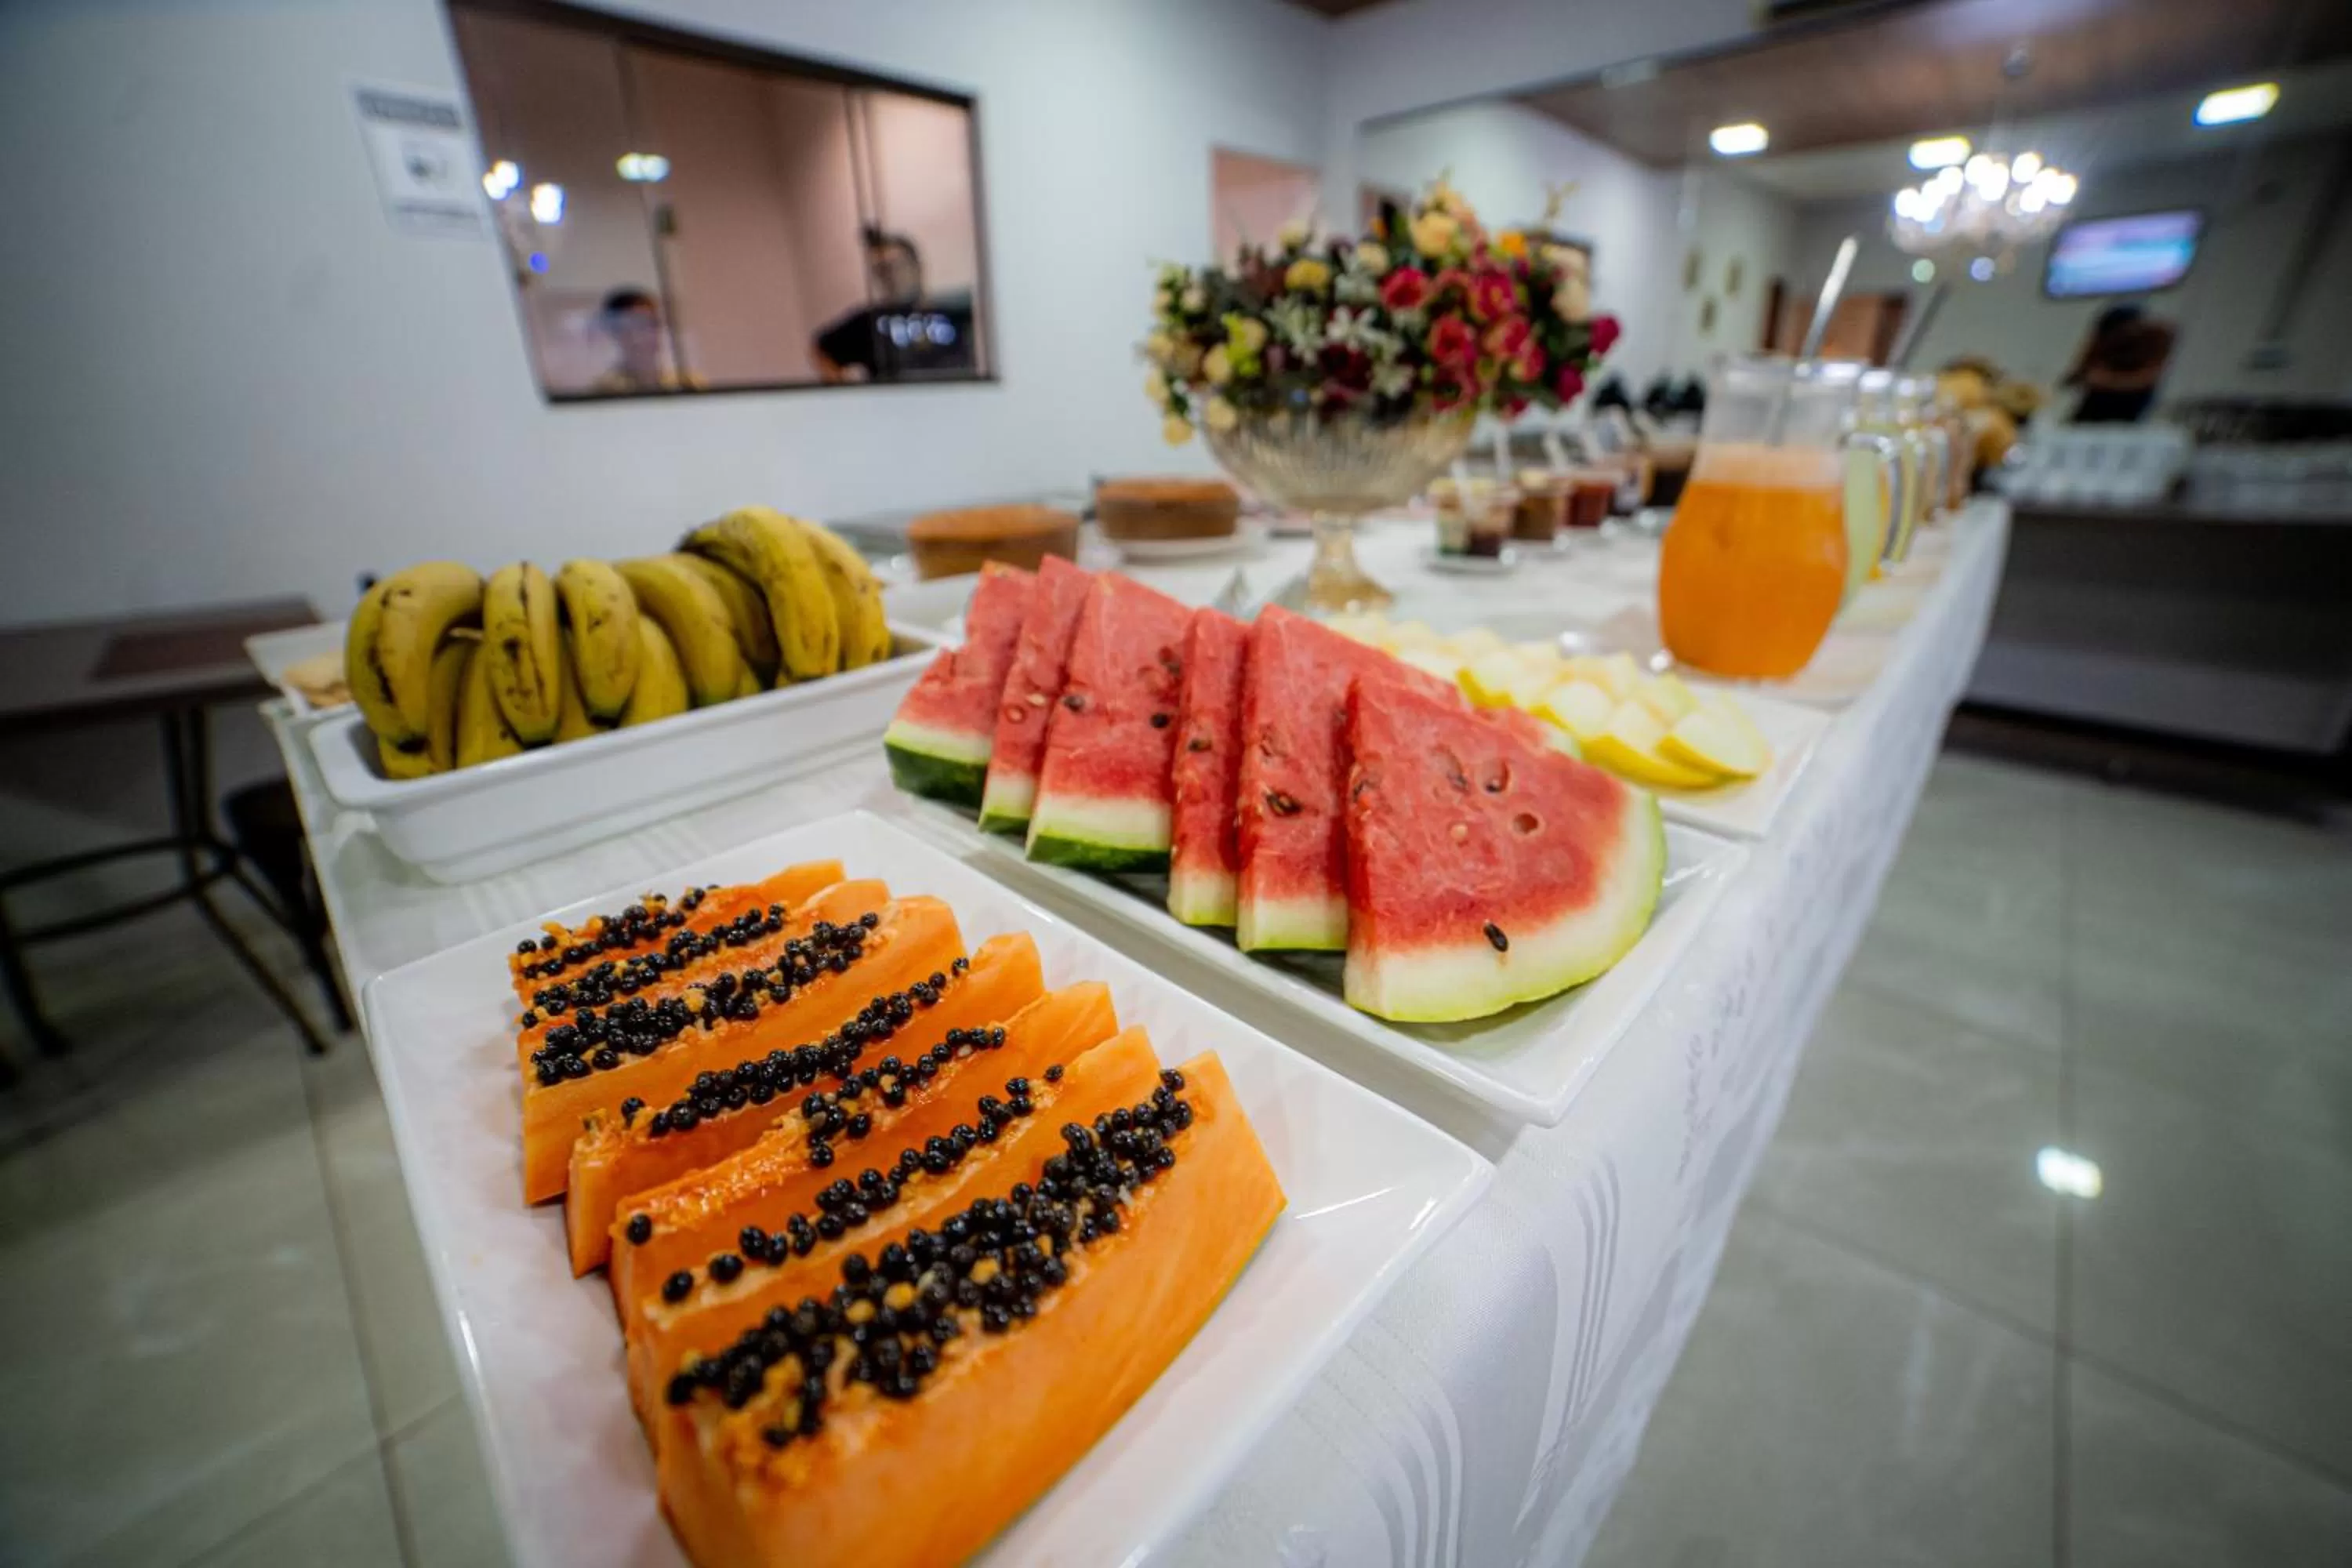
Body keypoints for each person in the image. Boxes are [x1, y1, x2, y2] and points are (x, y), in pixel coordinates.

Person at [811, 228, 977, 383]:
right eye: (880, 270)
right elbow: (823, 348)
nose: (889, 276)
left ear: (916, 267)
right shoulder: (870, 320)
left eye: (895, 266)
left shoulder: (954, 309)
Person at [2062, 303, 2175, 424]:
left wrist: (2106, 380)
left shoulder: (2155, 338)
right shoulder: (2104, 336)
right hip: (2098, 400)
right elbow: (2082, 368)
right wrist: (2080, 376)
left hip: (2131, 400)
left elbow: (2148, 377)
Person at [591, 287, 680, 394]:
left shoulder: (683, 384)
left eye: (653, 324)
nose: (650, 334)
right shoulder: (606, 390)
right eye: (638, 326)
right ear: (617, 334)